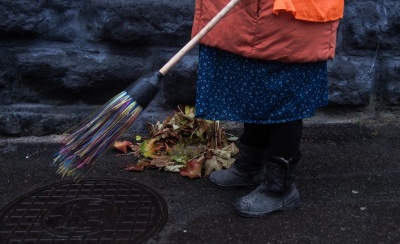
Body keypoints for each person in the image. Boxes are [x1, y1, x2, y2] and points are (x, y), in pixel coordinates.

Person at [191, 0, 344, 217]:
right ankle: (250, 167)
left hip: (289, 18)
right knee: (255, 87)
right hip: (248, 14)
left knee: (283, 98)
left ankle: (279, 189)